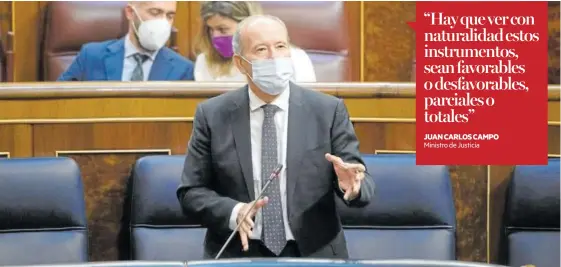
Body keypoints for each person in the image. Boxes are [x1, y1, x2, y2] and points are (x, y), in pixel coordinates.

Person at [177, 15, 375, 259]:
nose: (274, 56)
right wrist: (234, 211)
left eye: (281, 46)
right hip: (239, 253)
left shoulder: (327, 111)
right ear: (240, 64)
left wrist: (353, 187)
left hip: (315, 254)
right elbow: (191, 192)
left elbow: (361, 182)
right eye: (261, 49)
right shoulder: (213, 115)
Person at [58, 1, 194, 81]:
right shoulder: (91, 56)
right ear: (130, 12)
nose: (163, 22)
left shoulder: (184, 69)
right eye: (155, 12)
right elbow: (56, 102)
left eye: (169, 16)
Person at [193, 1, 316, 82]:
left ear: (247, 25)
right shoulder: (205, 61)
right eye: (210, 29)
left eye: (222, 29)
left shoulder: (294, 59)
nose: (215, 36)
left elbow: (307, 106)